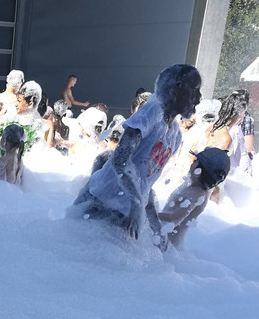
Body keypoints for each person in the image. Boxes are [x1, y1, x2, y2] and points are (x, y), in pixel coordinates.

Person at [72, 63, 202, 245]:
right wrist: (136, 202)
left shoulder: (174, 135)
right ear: (175, 91)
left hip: (123, 216)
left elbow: (145, 184)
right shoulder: (152, 111)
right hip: (97, 201)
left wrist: (156, 227)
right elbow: (120, 159)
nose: (199, 98)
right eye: (194, 90)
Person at [158, 147, 230, 248]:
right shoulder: (197, 191)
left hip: (166, 246)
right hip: (167, 245)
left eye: (195, 161)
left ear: (199, 170)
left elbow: (174, 218)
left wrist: (150, 214)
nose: (192, 163)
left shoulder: (197, 193)